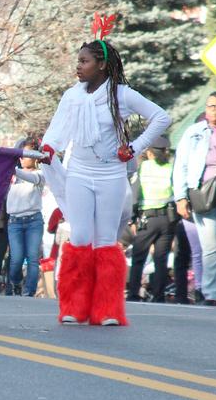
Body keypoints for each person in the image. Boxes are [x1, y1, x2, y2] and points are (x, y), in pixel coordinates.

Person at [41, 36, 171, 325]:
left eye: (84, 61)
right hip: (79, 173)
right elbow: (56, 131)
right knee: (80, 236)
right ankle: (74, 307)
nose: (78, 67)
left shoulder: (122, 95)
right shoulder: (72, 96)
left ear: (101, 65)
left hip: (111, 175)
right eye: (78, 61)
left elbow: (161, 118)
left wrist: (135, 148)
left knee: (105, 241)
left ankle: (107, 309)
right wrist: (49, 149)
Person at [171, 92, 216, 306]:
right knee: (210, 247)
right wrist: (181, 197)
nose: (212, 110)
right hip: (202, 193)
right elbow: (181, 165)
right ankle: (211, 293)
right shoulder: (194, 132)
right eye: (209, 106)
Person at [127, 136, 177, 303]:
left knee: (139, 257)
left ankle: (134, 294)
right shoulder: (172, 168)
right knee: (160, 259)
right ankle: (158, 296)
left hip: (146, 220)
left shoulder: (143, 168)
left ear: (149, 153)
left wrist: (132, 219)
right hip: (167, 219)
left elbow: (134, 195)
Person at [7, 140, 46, 297]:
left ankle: (29, 292)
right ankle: (16, 283)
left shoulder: (39, 174)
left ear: (35, 157)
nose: (22, 159)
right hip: (14, 222)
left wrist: (11, 169)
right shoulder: (12, 175)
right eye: (21, 156)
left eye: (26, 155)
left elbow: (31, 179)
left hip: (33, 221)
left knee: (32, 258)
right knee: (16, 260)